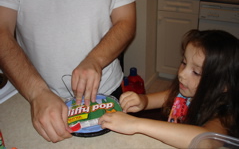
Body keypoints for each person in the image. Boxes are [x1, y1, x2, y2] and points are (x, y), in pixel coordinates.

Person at [0, 0, 136, 143]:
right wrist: (37, 92)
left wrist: (95, 59)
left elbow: (126, 21)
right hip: (40, 98)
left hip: (107, 91)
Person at [99, 29, 239, 148]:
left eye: (196, 72)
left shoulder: (225, 116)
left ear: (223, 86)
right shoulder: (185, 94)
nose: (182, 74)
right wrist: (142, 101)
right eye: (184, 63)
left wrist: (136, 124)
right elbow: (161, 98)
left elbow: (205, 141)